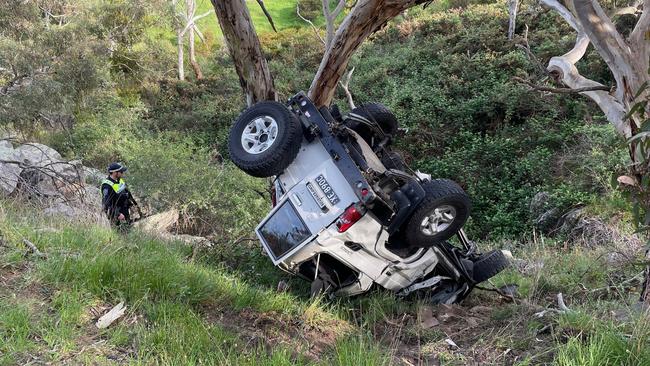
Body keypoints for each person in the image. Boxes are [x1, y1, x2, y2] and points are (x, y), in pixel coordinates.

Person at [101, 162, 133, 229]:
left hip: (125, 210)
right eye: (121, 172)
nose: (122, 173)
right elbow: (107, 202)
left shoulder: (120, 180)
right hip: (116, 214)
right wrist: (118, 214)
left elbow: (126, 193)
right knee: (120, 233)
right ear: (115, 173)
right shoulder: (106, 185)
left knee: (128, 231)